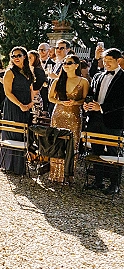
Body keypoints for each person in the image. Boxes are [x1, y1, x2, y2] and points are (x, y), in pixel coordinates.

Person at [83, 48, 124, 195]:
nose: (106, 64)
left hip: (113, 122)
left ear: (118, 61)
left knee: (113, 153)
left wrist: (102, 107)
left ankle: (114, 184)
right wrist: (87, 104)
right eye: (104, 61)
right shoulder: (98, 76)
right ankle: (98, 181)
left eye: (109, 61)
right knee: (96, 150)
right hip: (94, 119)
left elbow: (121, 102)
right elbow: (91, 94)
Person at [47, 55, 89, 183]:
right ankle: (55, 174)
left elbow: (85, 99)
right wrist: (61, 102)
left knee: (73, 144)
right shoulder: (57, 81)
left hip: (74, 116)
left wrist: (75, 103)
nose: (65, 65)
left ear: (76, 65)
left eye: (69, 63)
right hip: (59, 114)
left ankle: (68, 175)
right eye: (64, 63)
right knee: (57, 142)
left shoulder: (83, 82)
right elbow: (50, 98)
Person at [0, 47, 34, 175]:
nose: (16, 58)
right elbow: (7, 93)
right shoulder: (9, 72)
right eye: (13, 56)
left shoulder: (28, 72)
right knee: (13, 132)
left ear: (24, 56)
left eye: (18, 55)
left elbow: (31, 89)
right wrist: (20, 105)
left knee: (23, 134)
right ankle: (9, 165)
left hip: (26, 106)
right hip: (13, 106)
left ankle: (20, 166)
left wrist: (31, 102)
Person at [28, 50, 47, 120]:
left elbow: (39, 83)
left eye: (30, 57)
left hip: (36, 98)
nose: (28, 59)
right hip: (33, 97)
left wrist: (32, 90)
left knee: (35, 118)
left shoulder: (37, 69)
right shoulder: (32, 69)